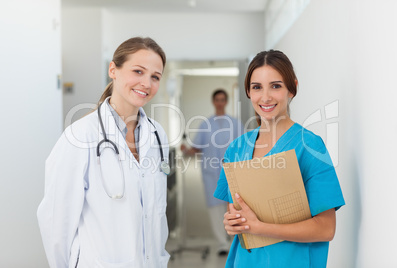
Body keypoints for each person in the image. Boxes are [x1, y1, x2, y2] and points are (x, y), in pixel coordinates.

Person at [37, 37, 171, 267]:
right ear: (113, 70)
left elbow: (156, 215)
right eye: (138, 71)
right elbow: (56, 221)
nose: (146, 83)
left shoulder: (157, 135)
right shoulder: (79, 136)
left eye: (155, 77)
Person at [213, 50, 345, 267]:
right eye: (257, 87)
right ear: (248, 91)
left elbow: (326, 229)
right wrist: (232, 223)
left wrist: (260, 228)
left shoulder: (309, 146)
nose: (265, 97)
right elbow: (235, 214)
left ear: (292, 88)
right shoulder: (236, 148)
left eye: (275, 86)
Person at [181, 89, 244, 256]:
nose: (220, 102)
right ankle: (222, 244)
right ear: (213, 101)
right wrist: (186, 150)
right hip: (211, 173)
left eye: (223, 99)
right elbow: (196, 148)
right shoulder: (205, 124)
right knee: (215, 208)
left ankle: (236, 243)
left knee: (234, 207)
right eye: (217, 99)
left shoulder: (236, 124)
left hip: (233, 172)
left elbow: (244, 147)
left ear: (226, 101)